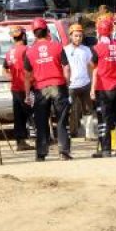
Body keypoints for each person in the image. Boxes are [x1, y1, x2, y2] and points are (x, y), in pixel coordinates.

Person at [24, 17, 72, 161]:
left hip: (40, 88)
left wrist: (27, 94)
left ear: (34, 34)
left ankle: (41, 153)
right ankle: (63, 151)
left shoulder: (30, 52)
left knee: (41, 121)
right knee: (62, 119)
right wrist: (67, 83)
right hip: (58, 85)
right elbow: (67, 67)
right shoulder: (57, 47)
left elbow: (27, 76)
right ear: (47, 31)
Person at [91, 17, 116, 157]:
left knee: (105, 119)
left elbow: (92, 66)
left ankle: (106, 149)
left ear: (99, 32)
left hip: (104, 88)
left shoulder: (97, 48)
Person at [4, 26, 35, 151]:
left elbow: (4, 70)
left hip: (15, 87)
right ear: (23, 36)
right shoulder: (27, 50)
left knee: (19, 115)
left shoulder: (9, 52)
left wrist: (12, 78)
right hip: (28, 86)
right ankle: (41, 138)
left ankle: (20, 141)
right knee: (34, 113)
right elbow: (33, 66)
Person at [63, 23, 94, 139]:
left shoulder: (86, 50)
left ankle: (89, 133)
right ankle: (72, 132)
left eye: (80, 36)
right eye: (76, 36)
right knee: (71, 110)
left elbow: (91, 66)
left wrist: (92, 84)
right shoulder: (65, 50)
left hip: (85, 84)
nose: (78, 38)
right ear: (70, 36)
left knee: (88, 109)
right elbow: (63, 67)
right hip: (71, 85)